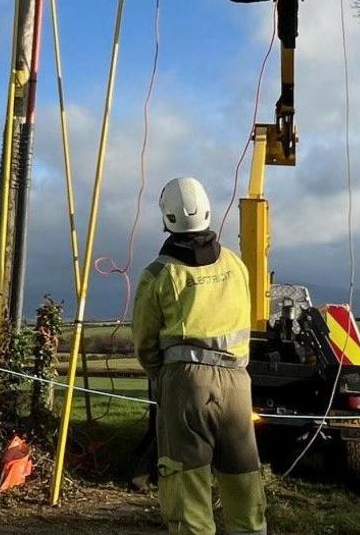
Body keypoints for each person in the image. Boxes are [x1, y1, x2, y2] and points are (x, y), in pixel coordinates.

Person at [133, 177, 267, 535]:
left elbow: (145, 343)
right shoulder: (236, 265)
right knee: (244, 484)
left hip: (186, 384)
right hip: (238, 383)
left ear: (167, 218)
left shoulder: (159, 275)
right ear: (208, 210)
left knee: (187, 491)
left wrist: (165, 378)